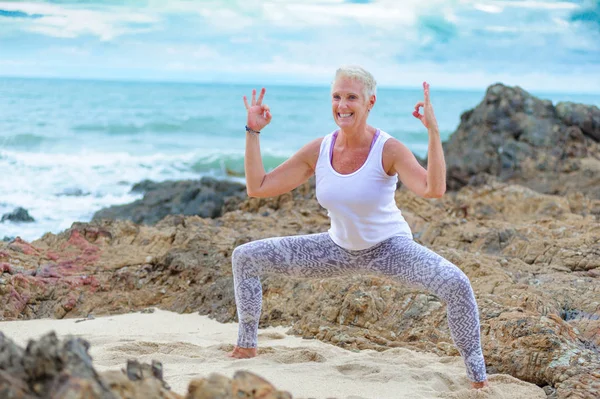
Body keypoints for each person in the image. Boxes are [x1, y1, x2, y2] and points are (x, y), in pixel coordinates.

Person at [229, 66, 489, 389]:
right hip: (335, 250)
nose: (342, 105)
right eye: (337, 96)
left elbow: (433, 188)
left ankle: (478, 379)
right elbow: (259, 186)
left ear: (370, 102)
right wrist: (252, 132)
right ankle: (246, 345)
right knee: (245, 257)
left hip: (390, 250)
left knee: (457, 284)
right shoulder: (319, 150)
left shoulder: (388, 149)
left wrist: (433, 133)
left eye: (352, 97)